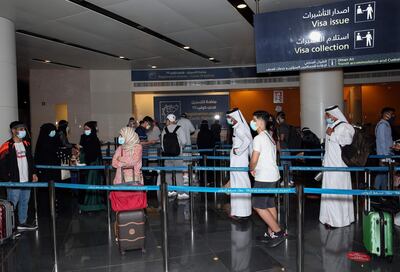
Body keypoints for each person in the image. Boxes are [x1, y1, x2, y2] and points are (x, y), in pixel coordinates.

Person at [249, 111, 286, 247]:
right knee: (269, 204)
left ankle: (277, 231)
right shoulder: (269, 136)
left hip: (264, 177)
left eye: (254, 120)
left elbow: (254, 159)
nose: (252, 122)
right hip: (273, 175)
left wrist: (251, 168)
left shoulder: (258, 138)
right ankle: (271, 232)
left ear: (260, 122)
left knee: (257, 205)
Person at [320, 105, 355, 228]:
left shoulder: (345, 127)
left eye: (327, 115)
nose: (326, 118)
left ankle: (338, 221)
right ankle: (328, 218)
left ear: (334, 115)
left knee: (336, 193)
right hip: (329, 165)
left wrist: (333, 134)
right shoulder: (331, 126)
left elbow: (347, 141)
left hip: (339, 167)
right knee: (329, 193)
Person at [0, 121, 38, 230]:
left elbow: (31, 160)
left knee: (24, 202)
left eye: (23, 129)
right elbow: (2, 165)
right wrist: (7, 179)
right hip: (14, 180)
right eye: (20, 129)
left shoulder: (26, 144)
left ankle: (22, 222)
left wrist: (33, 173)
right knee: (12, 203)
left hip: (26, 179)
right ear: (13, 131)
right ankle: (9, 227)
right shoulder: (7, 146)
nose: (23, 131)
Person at [226, 108, 252, 220]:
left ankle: (242, 212)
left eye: (230, 118)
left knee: (241, 184)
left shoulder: (240, 128)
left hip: (239, 161)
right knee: (237, 184)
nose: (229, 120)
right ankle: (238, 211)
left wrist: (238, 150)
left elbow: (247, 141)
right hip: (237, 160)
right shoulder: (237, 127)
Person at [78, 121, 105, 212]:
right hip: (85, 163)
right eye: (84, 129)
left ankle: (94, 204)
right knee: (86, 182)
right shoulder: (83, 137)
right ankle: (86, 204)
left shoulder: (94, 138)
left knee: (93, 182)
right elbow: (82, 149)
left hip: (93, 164)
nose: (86, 130)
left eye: (88, 129)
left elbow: (94, 152)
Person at [161, 114, 188, 200]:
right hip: (177, 154)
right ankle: (180, 193)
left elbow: (162, 144)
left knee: (168, 173)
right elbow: (184, 141)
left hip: (167, 155)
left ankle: (170, 191)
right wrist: (180, 148)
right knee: (178, 173)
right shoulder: (179, 128)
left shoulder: (164, 130)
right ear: (174, 120)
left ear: (168, 120)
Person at [375, 107, 396, 190]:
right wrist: (385, 155)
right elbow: (382, 141)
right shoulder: (382, 125)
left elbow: (387, 140)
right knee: (382, 173)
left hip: (387, 153)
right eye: (391, 114)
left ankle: (383, 193)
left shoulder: (386, 124)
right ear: (385, 114)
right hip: (384, 154)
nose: (393, 116)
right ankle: (375, 191)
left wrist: (393, 146)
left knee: (384, 174)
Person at [276, 112, 294, 186]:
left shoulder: (282, 126)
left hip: (283, 148)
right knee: (289, 164)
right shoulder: (287, 125)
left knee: (284, 165)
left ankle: (286, 180)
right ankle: (290, 180)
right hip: (287, 147)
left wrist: (278, 138)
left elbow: (282, 137)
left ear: (279, 118)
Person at [197, 120, 215, 186]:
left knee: (202, 167)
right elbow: (213, 143)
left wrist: (200, 149)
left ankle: (202, 180)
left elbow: (198, 142)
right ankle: (210, 180)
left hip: (202, 152)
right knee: (210, 166)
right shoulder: (210, 132)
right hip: (209, 153)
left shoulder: (200, 133)